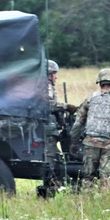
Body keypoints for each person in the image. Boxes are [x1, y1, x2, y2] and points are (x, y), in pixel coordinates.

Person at [70, 68, 110, 189]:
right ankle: (104, 203)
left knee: (88, 177)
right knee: (107, 178)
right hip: (109, 145)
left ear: (99, 83)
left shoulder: (90, 99)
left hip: (90, 143)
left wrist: (73, 143)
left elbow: (78, 124)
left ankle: (87, 202)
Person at [42, 59, 77, 192]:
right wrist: (66, 106)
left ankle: (55, 184)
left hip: (49, 128)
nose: (56, 77)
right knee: (51, 159)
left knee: (56, 158)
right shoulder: (46, 86)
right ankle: (49, 187)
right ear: (48, 74)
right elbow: (47, 105)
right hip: (47, 129)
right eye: (54, 74)